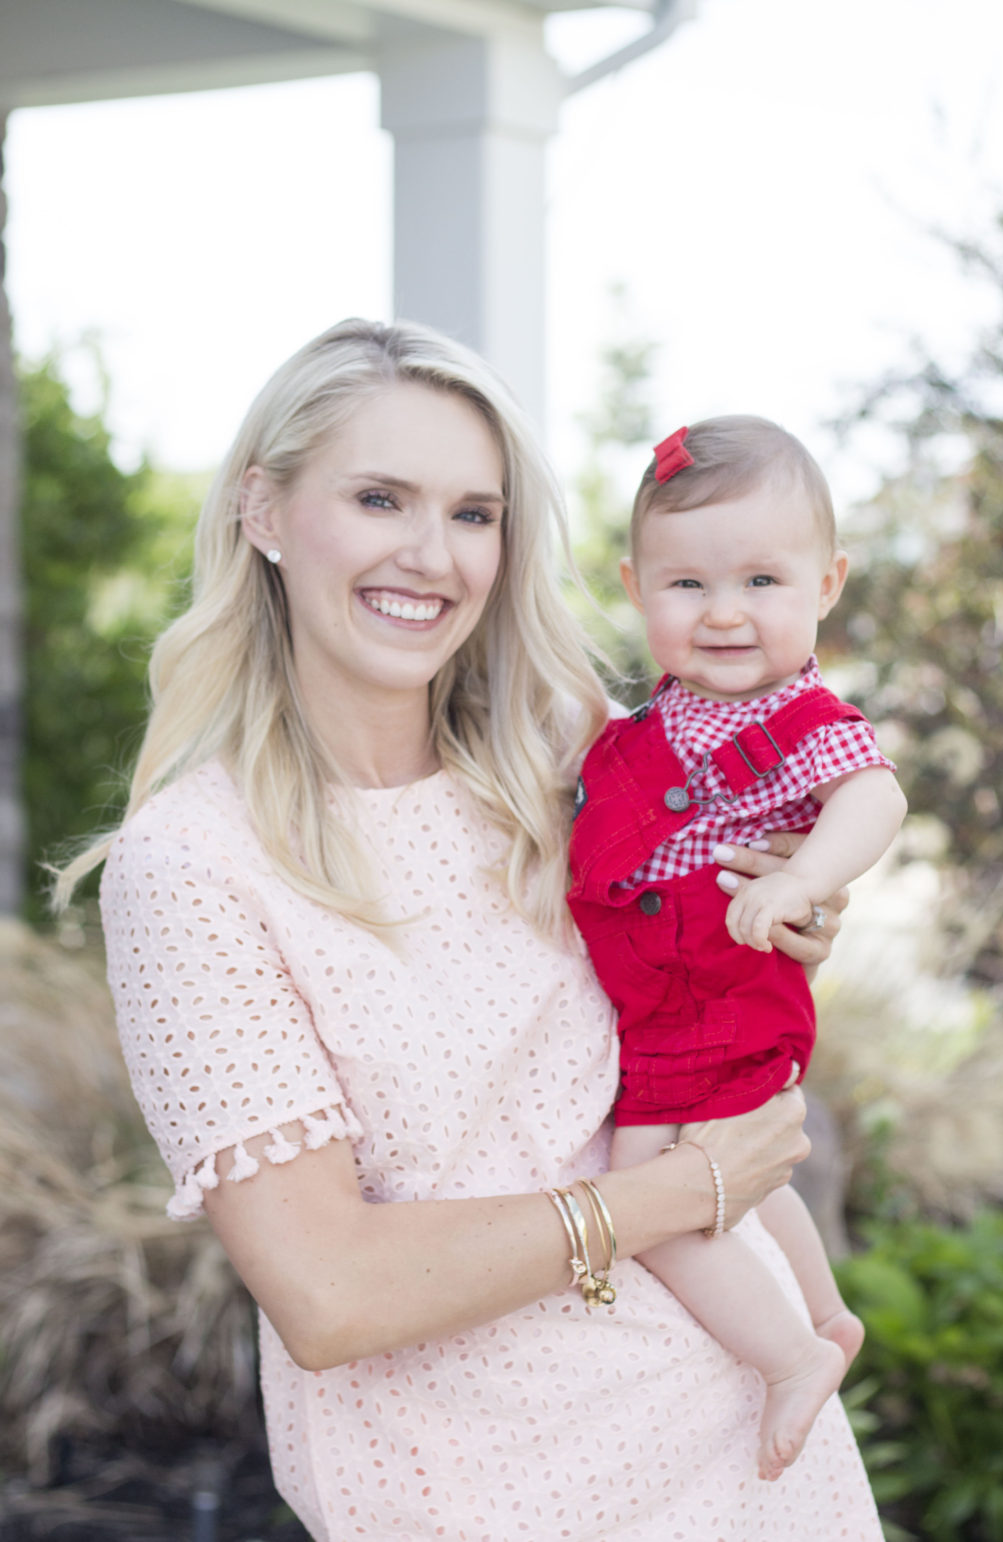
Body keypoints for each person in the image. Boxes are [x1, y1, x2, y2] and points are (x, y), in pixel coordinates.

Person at [57, 323, 885, 1541]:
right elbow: (329, 1292)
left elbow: (733, 909)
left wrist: (798, 906)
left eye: (473, 513)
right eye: (379, 497)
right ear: (264, 511)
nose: (429, 555)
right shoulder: (192, 867)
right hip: (480, 1492)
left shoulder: (560, 742)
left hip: (753, 1455)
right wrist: (679, 1194)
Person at [568, 416, 907, 1483]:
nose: (723, 613)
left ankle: (789, 1356)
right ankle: (822, 1312)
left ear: (826, 582)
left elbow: (872, 793)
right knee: (742, 1180)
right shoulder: (642, 725)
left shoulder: (803, 715)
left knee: (649, 1202)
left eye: (761, 581)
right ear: (634, 585)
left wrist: (808, 878)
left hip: (720, 988)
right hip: (673, 997)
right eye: (686, 586)